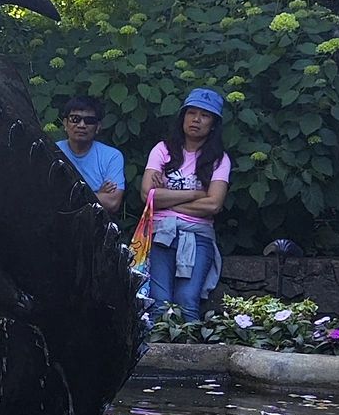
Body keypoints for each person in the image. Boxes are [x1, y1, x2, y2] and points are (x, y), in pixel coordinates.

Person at [141, 86, 231, 321]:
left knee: (187, 300)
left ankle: (190, 345)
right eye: (191, 113)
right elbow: (147, 195)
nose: (196, 120)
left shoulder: (220, 159)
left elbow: (213, 205)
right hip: (160, 233)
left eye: (205, 115)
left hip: (198, 236)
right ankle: (156, 346)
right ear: (183, 116)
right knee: (158, 302)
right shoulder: (162, 150)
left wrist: (166, 199)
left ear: (214, 124)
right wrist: (196, 194)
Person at [55, 92, 125, 217]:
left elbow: (113, 203)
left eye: (89, 121)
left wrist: (67, 196)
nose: (81, 125)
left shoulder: (112, 156)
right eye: (75, 119)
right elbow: (46, 197)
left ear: (98, 127)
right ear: (65, 123)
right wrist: (96, 194)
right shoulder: (54, 151)